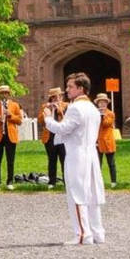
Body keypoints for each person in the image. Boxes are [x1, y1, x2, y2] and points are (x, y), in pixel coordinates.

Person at [43, 73, 106, 244]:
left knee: (77, 194)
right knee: (92, 194)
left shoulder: (76, 107)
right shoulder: (93, 108)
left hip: (77, 154)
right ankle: (97, 232)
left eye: (70, 87)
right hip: (91, 153)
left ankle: (82, 234)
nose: (67, 90)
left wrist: (48, 117)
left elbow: (63, 128)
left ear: (80, 88)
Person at [0, 85, 23, 189]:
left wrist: (10, 115)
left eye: (6, 93)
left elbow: (19, 121)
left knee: (10, 160)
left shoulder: (15, 105)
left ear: (9, 94)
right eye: (2, 93)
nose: (4, 95)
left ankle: (10, 181)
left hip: (10, 135)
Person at [38, 88, 64, 188]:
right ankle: (52, 182)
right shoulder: (45, 106)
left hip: (61, 136)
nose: (55, 99)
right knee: (52, 160)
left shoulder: (65, 105)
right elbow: (40, 121)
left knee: (64, 159)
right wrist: (48, 110)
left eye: (57, 96)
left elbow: (65, 117)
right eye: (53, 97)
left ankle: (67, 181)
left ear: (61, 97)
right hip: (50, 137)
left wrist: (58, 109)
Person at [94, 92, 119, 187]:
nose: (102, 104)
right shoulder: (95, 113)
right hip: (98, 141)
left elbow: (106, 124)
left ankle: (113, 182)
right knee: (98, 164)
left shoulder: (110, 114)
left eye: (104, 102)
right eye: (100, 102)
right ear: (98, 103)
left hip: (108, 141)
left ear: (107, 103)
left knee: (111, 163)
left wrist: (102, 115)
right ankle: (98, 182)